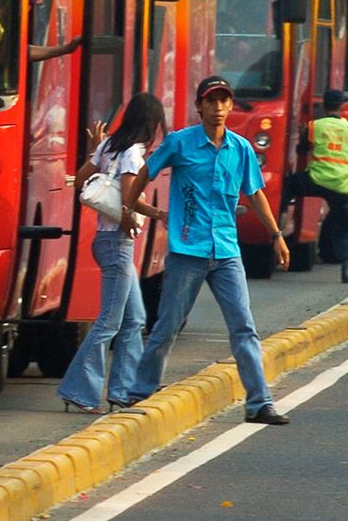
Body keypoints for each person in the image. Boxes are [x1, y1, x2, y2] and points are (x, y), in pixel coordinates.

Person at [119, 75, 293, 426]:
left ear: (230, 105)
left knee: (244, 327)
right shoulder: (179, 143)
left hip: (226, 252)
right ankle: (140, 391)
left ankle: (260, 402)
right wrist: (130, 208)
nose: (218, 108)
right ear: (199, 106)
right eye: (211, 101)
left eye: (224, 101)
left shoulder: (241, 149)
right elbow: (144, 173)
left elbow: (255, 193)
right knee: (167, 326)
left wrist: (276, 235)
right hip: (187, 252)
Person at [57, 95, 168, 414]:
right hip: (118, 243)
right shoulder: (133, 153)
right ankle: (79, 391)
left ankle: (124, 390)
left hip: (104, 239)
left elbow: (80, 181)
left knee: (135, 319)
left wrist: (97, 150)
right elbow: (130, 196)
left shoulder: (108, 147)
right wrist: (158, 214)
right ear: (151, 123)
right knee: (109, 322)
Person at [279, 88, 348, 283]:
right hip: (340, 186)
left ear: (324, 106)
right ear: (341, 107)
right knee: (345, 226)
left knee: (288, 185)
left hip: (315, 180)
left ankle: (280, 220)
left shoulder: (314, 126)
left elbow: (301, 150)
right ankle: (347, 269)